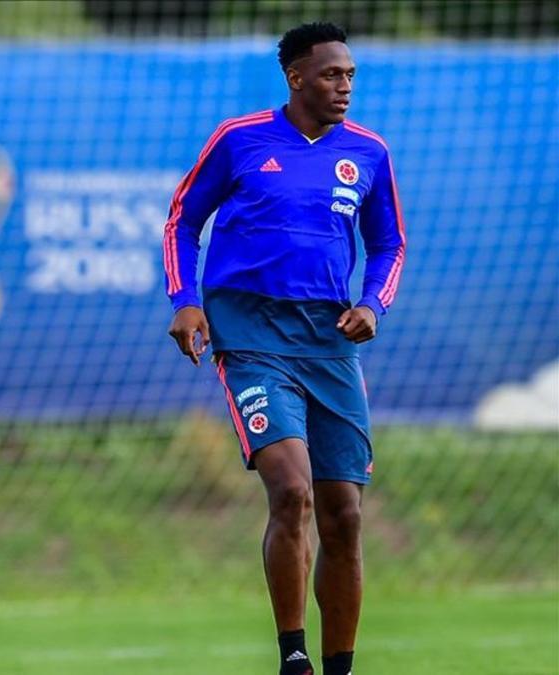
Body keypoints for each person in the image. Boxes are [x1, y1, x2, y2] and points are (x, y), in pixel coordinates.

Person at [163, 22, 405, 675]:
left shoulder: (370, 153)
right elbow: (184, 217)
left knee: (344, 513)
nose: (344, 87)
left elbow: (389, 245)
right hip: (250, 333)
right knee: (292, 489)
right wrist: (185, 298)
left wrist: (371, 305)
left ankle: (339, 665)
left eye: (350, 75)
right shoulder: (239, 139)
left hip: (327, 339)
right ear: (296, 77)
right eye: (331, 75)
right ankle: (293, 654)